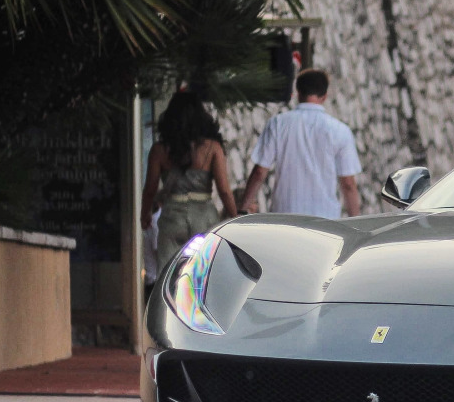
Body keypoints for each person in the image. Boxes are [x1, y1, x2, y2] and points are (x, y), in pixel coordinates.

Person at [239, 69, 363, 217]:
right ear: (324, 96)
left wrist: (242, 209)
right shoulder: (340, 131)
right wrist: (356, 225)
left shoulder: (278, 124)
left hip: (285, 217)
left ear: (298, 93)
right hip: (325, 220)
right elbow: (348, 184)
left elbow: (259, 172)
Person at [141, 91, 239, 271]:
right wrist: (235, 217)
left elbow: (150, 189)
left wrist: (145, 214)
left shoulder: (159, 150)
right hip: (204, 216)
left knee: (169, 273)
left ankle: (171, 300)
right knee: (203, 272)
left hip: (172, 216)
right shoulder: (213, 148)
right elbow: (224, 190)